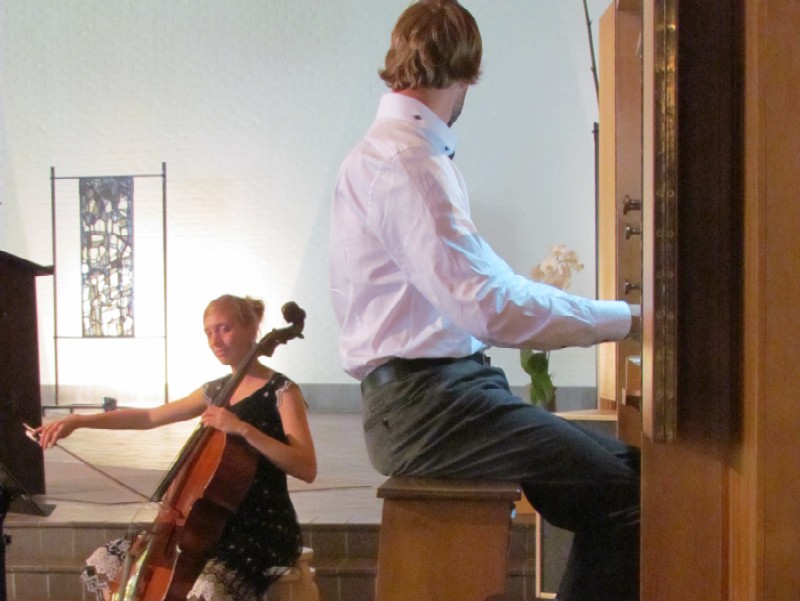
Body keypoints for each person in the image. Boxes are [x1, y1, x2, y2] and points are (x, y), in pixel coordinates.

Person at [328, 2, 640, 600]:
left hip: (441, 397)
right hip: (431, 406)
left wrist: (619, 318)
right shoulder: (409, 161)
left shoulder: (404, 152)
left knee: (633, 476)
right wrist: (626, 320)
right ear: (468, 72)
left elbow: (494, 286)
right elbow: (491, 309)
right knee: (629, 503)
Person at [35, 294, 317, 601]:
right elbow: (149, 417)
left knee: (207, 590)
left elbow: (305, 467)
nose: (215, 340)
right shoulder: (215, 390)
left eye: (224, 329)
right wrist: (79, 421)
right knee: (113, 563)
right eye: (208, 332)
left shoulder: (282, 391)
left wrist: (243, 429)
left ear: (252, 329)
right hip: (205, 524)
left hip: (261, 527)